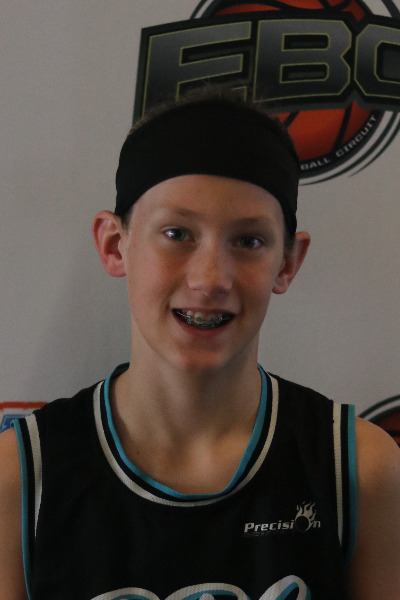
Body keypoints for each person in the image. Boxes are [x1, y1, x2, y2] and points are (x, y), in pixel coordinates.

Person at [0, 88, 400, 600]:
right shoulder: (21, 478)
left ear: (287, 263)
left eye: (248, 241)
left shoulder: (358, 469)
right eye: (177, 234)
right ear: (115, 244)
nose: (210, 278)